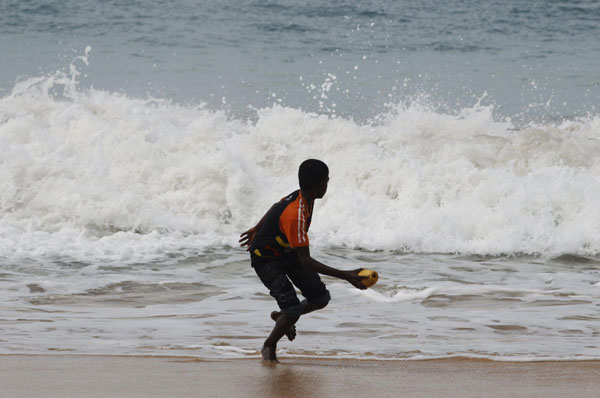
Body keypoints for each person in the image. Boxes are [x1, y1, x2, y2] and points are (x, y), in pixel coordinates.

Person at [239, 159, 367, 362]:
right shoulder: (295, 214)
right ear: (319, 186)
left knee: (320, 299)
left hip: (286, 252)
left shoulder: (302, 195)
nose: (327, 184)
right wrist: (346, 275)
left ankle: (281, 318)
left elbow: (275, 207)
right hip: (266, 259)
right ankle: (269, 346)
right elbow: (306, 260)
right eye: (326, 181)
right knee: (292, 309)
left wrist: (257, 227)